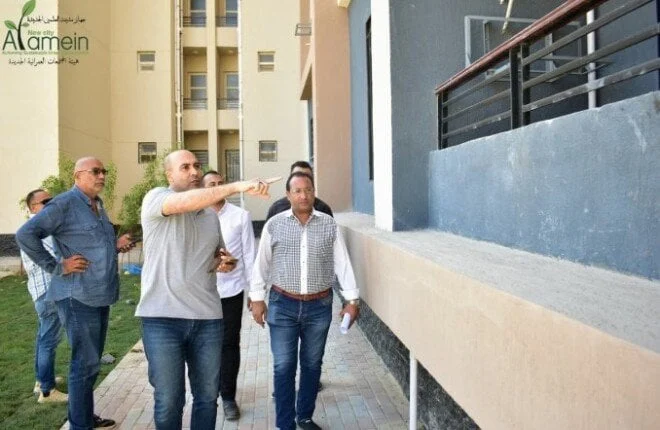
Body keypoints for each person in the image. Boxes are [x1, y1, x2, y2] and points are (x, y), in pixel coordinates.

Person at [135, 150, 276, 430]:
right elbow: (183, 203)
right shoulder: (156, 198)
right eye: (185, 167)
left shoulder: (211, 217)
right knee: (169, 400)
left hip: (208, 319)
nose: (194, 171)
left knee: (207, 398)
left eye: (196, 165)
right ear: (169, 175)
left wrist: (224, 263)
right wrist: (238, 186)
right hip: (162, 320)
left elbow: (217, 257)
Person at [16, 157, 135, 430]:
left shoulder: (97, 205)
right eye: (95, 171)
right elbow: (25, 235)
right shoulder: (64, 203)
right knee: (84, 363)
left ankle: (82, 416)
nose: (102, 175)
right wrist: (57, 266)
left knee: (90, 363)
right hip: (76, 295)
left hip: (99, 294)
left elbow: (92, 243)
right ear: (78, 175)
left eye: (104, 171)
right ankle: (80, 425)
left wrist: (115, 244)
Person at [250, 171, 360, 430]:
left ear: (314, 193)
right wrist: (257, 298)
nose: (303, 195)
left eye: (308, 190)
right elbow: (261, 264)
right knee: (284, 366)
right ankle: (285, 424)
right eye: (297, 191)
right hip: (282, 305)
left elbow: (342, 264)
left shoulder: (329, 224)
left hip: (318, 307)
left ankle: (305, 417)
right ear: (288, 195)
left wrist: (352, 300)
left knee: (312, 364)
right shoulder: (274, 224)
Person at [201, 170, 256, 421]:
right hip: (202, 292)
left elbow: (249, 255)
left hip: (231, 291)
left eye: (220, 183)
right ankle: (206, 393)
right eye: (211, 184)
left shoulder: (240, 216)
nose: (217, 187)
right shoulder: (195, 215)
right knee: (204, 345)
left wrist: (254, 292)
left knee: (229, 344)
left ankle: (228, 396)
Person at [20, 189, 67, 404]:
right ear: (33, 207)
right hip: (49, 292)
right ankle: (47, 391)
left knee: (43, 337)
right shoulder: (39, 230)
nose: (51, 204)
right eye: (45, 201)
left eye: (52, 200)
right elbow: (58, 256)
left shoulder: (34, 228)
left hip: (40, 291)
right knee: (49, 340)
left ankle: (41, 380)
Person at [265, 161, 333, 220]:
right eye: (297, 175)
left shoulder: (323, 209)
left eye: (307, 176)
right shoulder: (276, 208)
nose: (302, 180)